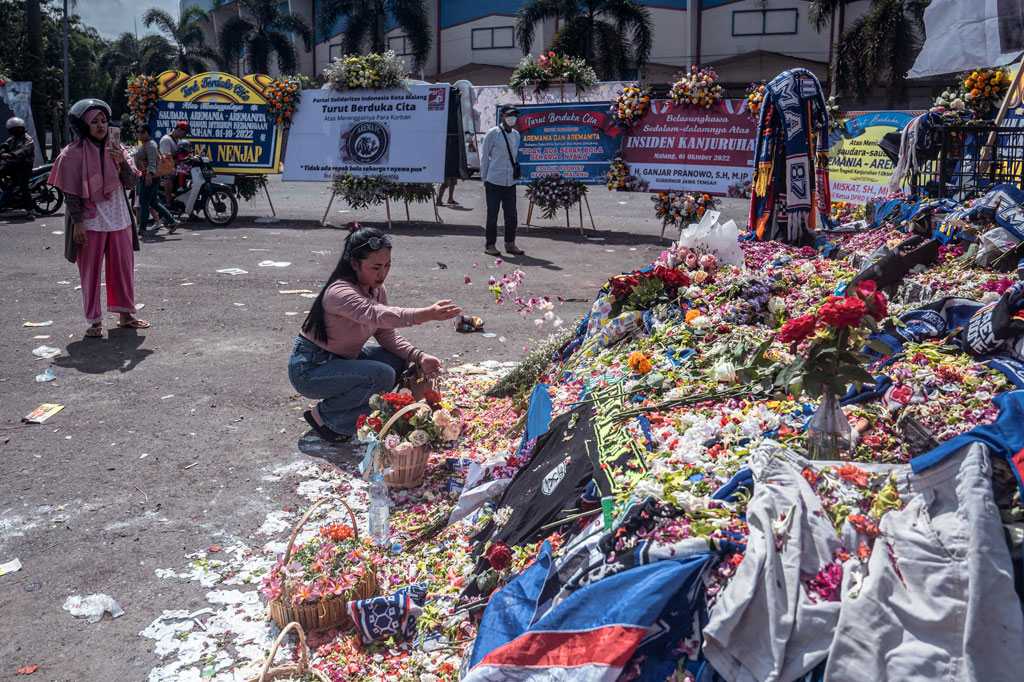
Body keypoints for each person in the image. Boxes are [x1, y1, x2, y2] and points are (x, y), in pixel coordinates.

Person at [288, 225, 461, 443]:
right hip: (311, 369)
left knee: (398, 360)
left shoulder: (376, 289)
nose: (382, 273)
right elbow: (377, 315)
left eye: (387, 265)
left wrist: (419, 356)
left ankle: (360, 411)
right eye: (376, 267)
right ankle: (327, 417)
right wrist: (426, 314)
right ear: (354, 264)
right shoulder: (339, 292)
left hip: (341, 361)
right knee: (381, 375)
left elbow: (385, 334)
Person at [49, 98, 149, 338]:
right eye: (94, 122)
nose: (101, 125)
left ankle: (125, 315)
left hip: (119, 220)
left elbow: (132, 182)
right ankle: (94, 321)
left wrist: (121, 161)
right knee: (90, 272)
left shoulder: (118, 149)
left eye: (103, 120)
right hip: (90, 222)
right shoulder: (70, 155)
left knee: (123, 269)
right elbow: (70, 193)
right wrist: (78, 224)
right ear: (83, 126)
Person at [479, 105, 524, 257]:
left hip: (510, 181)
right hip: (494, 180)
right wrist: (484, 177)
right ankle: (490, 244)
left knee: (511, 215)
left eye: (515, 115)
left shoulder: (516, 135)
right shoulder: (493, 134)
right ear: (503, 116)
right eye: (510, 115)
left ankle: (510, 244)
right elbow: (485, 157)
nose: (513, 118)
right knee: (493, 214)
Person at [132, 124, 179, 235]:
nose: (139, 134)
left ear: (148, 133)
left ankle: (143, 228)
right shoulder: (145, 145)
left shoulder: (150, 145)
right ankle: (172, 221)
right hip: (149, 177)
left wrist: (148, 175)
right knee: (153, 202)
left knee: (144, 203)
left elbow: (153, 161)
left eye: (142, 132)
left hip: (149, 178)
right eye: (137, 132)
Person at [0, 116, 37, 218]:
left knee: (23, 185)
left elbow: (24, 150)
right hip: (13, 164)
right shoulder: (11, 139)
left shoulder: (28, 139)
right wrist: (3, 151)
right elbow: (5, 147)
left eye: (17, 129)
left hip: (24, 165)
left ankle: (30, 210)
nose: (15, 131)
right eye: (13, 130)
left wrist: (12, 154)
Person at [160, 120, 188, 204]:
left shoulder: (178, 140)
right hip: (167, 165)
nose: (185, 135)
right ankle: (169, 200)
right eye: (185, 132)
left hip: (177, 165)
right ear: (179, 130)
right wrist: (179, 152)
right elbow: (165, 155)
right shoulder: (166, 139)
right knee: (169, 177)